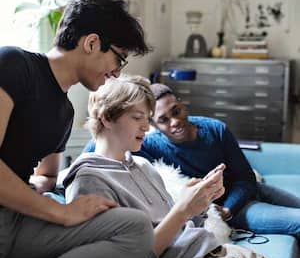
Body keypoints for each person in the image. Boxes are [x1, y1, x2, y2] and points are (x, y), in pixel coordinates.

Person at [0, 0, 154, 258]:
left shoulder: (65, 112)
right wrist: (61, 212)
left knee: (137, 227)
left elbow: (46, 174)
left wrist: (57, 198)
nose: (117, 73)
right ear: (92, 43)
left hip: (19, 220)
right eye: (119, 59)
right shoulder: (14, 65)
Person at [65, 75, 283, 258]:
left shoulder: (143, 165)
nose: (146, 127)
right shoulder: (89, 181)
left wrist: (200, 203)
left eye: (147, 118)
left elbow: (184, 228)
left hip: (221, 251)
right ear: (107, 118)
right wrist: (182, 209)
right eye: (137, 117)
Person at [83, 81, 300, 240]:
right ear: (154, 125)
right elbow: (98, 143)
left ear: (182, 104)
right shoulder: (149, 145)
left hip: (244, 192)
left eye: (176, 111)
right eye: (164, 120)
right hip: (233, 210)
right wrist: (66, 175)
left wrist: (230, 207)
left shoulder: (215, 129)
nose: (175, 122)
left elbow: (245, 178)